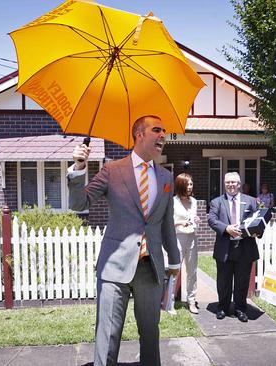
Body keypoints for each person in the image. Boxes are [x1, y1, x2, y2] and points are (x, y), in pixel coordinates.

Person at [68, 115, 181, 366]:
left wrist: (174, 260)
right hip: (114, 267)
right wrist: (78, 168)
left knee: (150, 335)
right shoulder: (112, 170)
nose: (163, 135)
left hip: (150, 269)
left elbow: (166, 223)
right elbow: (79, 203)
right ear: (140, 134)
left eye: (164, 131)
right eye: (157, 130)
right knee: (108, 335)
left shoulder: (165, 177)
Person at [207, 172, 260, 322]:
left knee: (242, 281)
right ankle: (222, 307)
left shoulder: (251, 201)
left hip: (245, 247)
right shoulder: (217, 202)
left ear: (239, 183)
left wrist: (257, 232)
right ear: (224, 184)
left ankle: (240, 309)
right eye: (227, 182)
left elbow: (258, 220)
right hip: (225, 247)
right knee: (224, 281)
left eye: (233, 182)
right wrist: (226, 228)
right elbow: (211, 219)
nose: (230, 185)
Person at [172, 173, 200, 314]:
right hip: (178, 238)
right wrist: (180, 222)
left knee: (192, 270)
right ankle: (169, 301)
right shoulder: (173, 202)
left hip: (192, 237)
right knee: (175, 270)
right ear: (180, 185)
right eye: (187, 184)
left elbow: (193, 217)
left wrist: (196, 219)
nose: (190, 186)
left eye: (191, 184)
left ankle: (191, 300)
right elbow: (167, 223)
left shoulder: (194, 201)